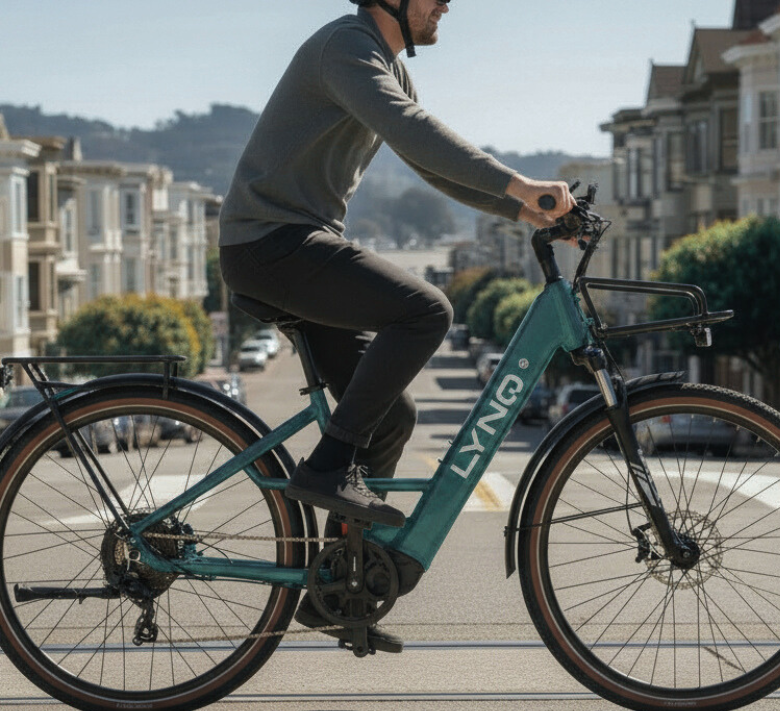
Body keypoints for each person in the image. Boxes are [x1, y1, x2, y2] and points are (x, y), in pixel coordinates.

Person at [219, 0, 574, 651]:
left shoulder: (385, 64)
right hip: (273, 244)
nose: (446, 4)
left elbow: (427, 162)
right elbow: (413, 132)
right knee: (427, 310)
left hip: (295, 245)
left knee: (389, 417)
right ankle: (328, 466)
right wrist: (520, 183)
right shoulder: (346, 47)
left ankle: (335, 589)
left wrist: (522, 210)